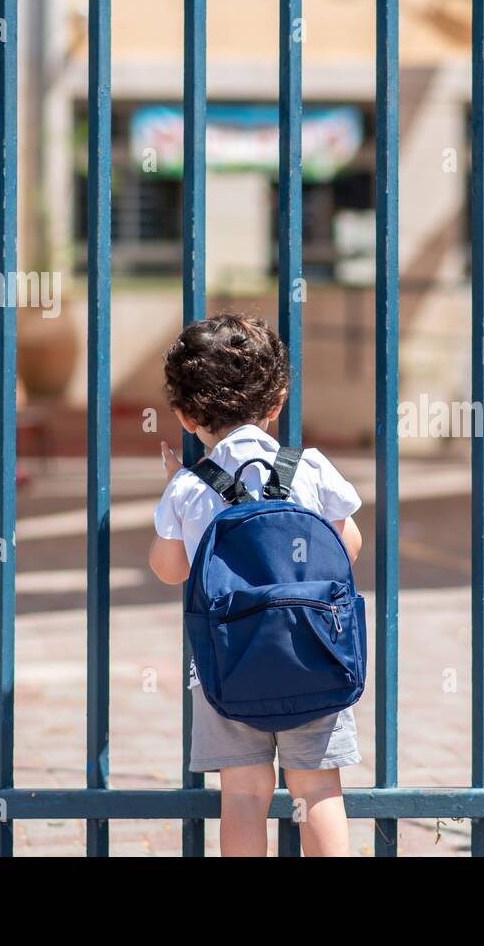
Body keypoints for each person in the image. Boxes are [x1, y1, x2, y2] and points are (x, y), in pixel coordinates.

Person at [149, 313, 363, 857]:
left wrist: (174, 500)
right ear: (278, 402)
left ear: (185, 414)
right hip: (314, 655)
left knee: (242, 793)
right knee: (317, 789)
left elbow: (171, 570)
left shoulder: (188, 487)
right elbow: (349, 547)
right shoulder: (309, 467)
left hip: (226, 668)